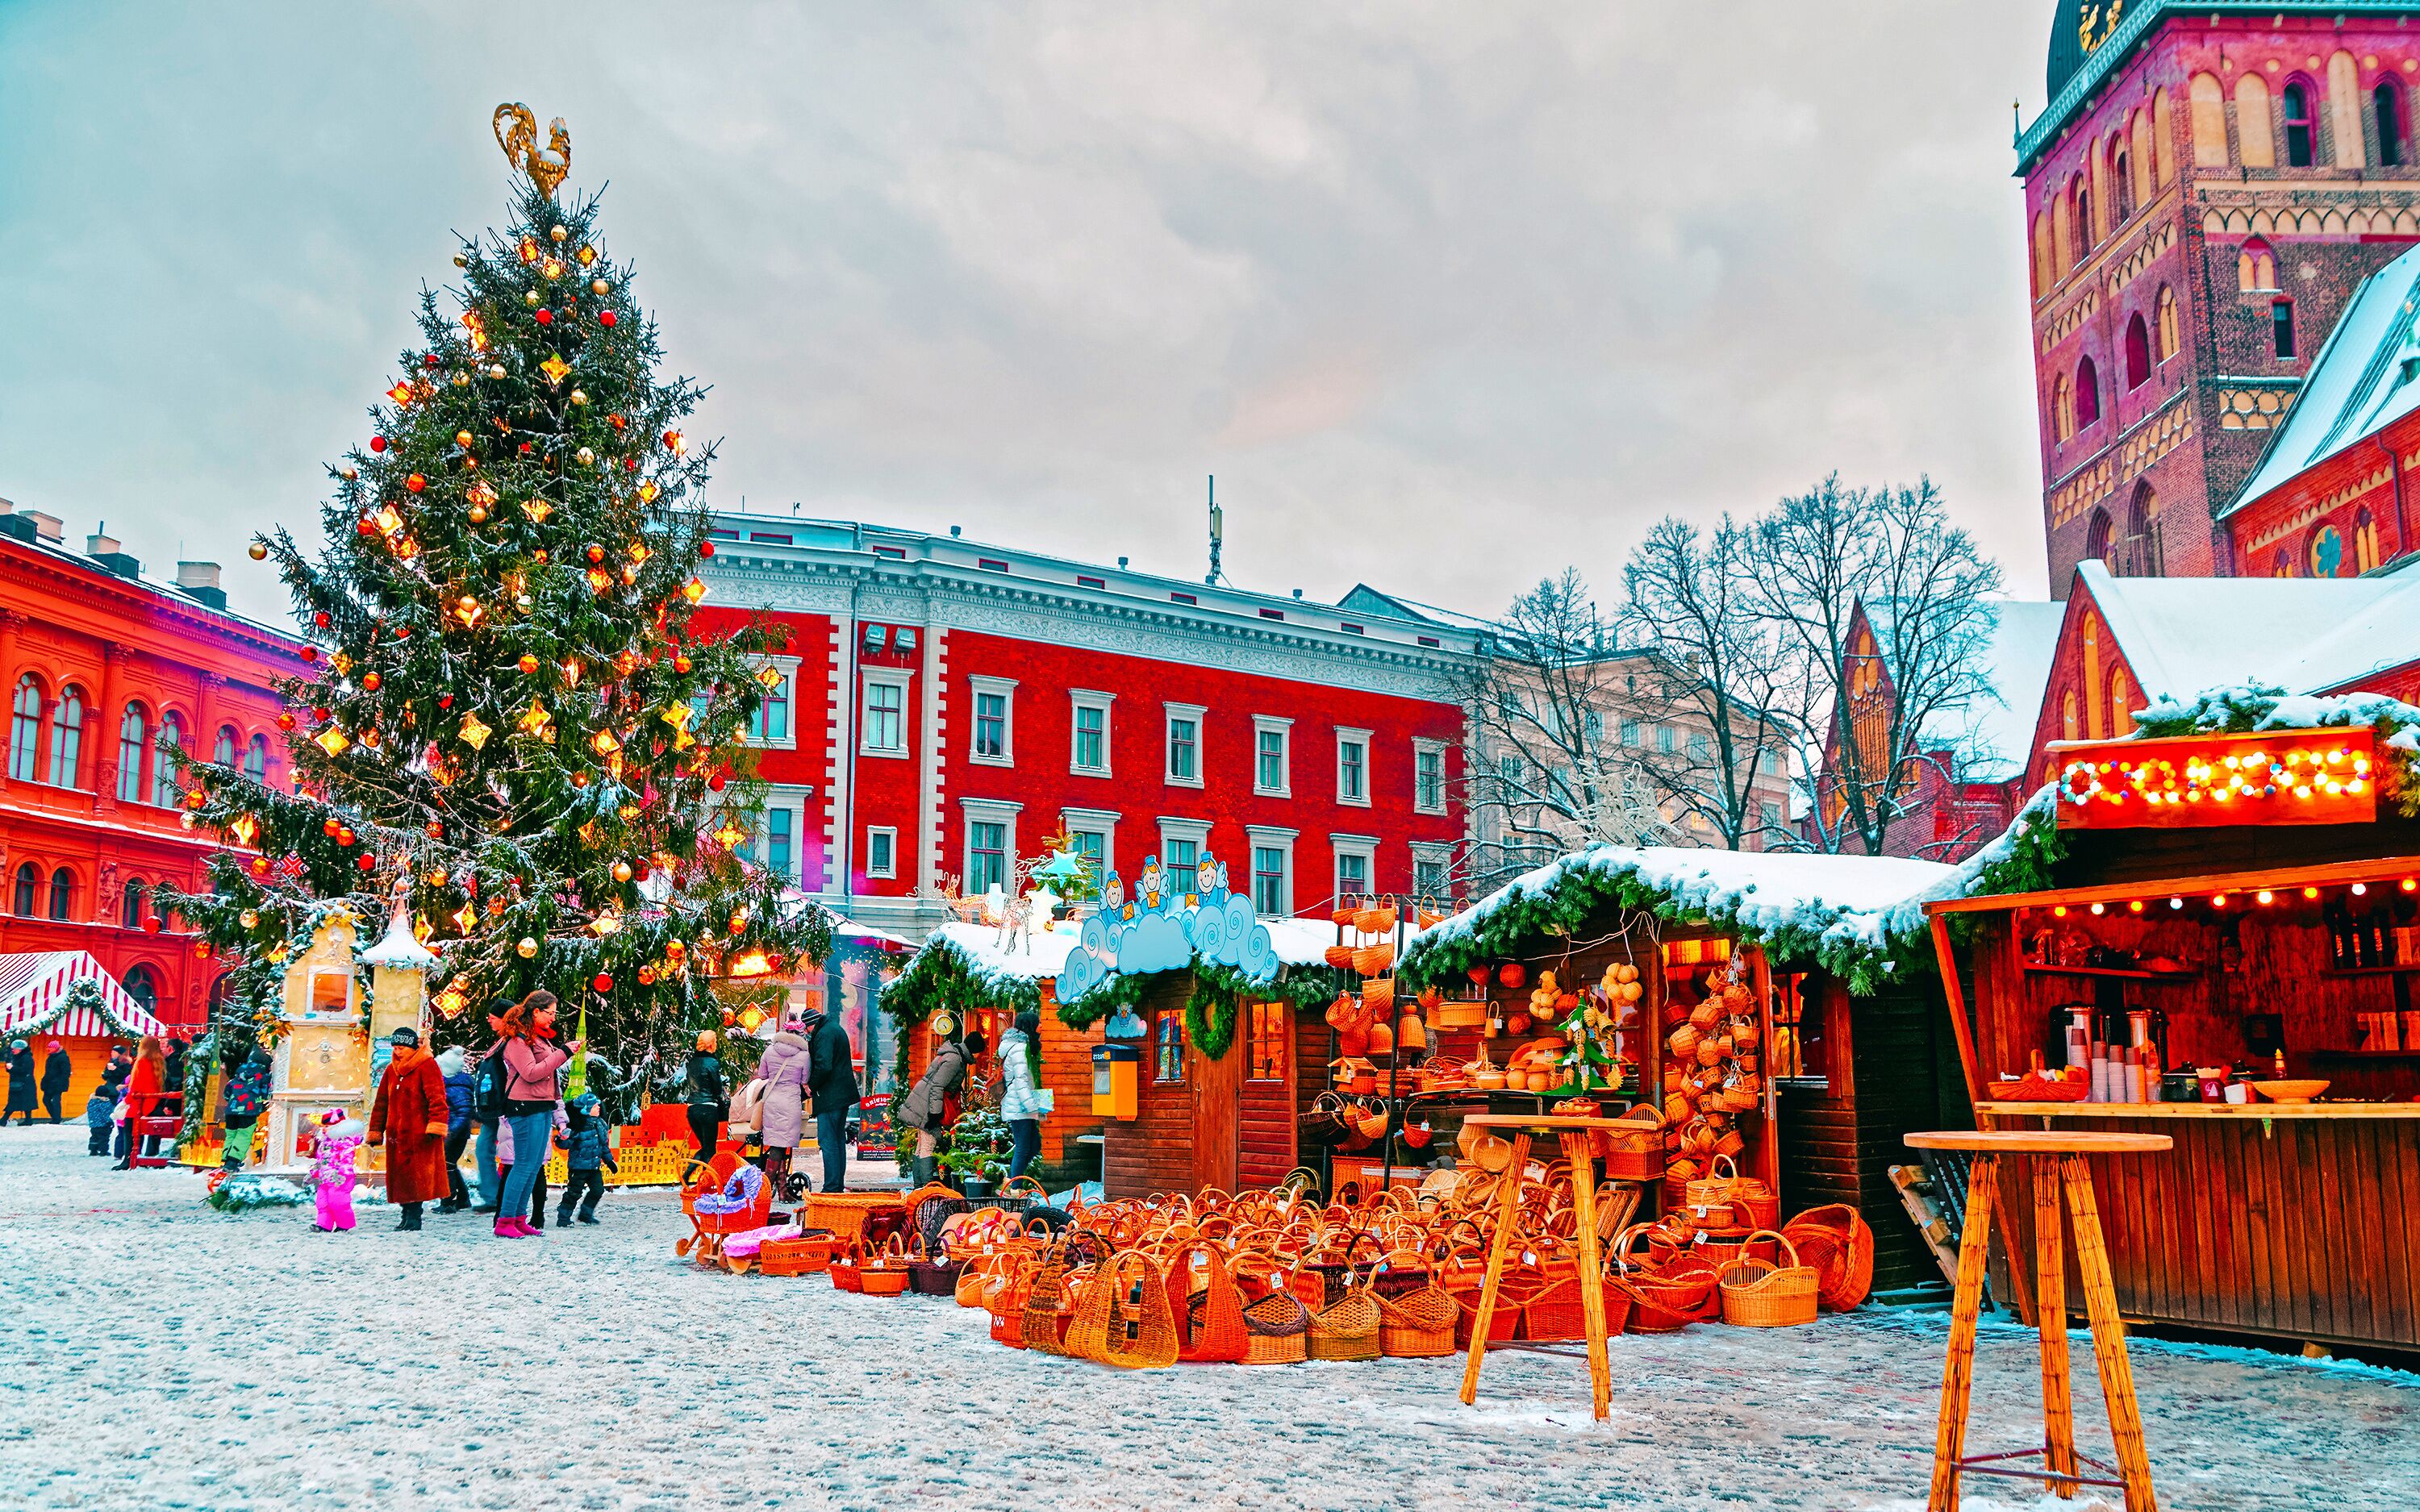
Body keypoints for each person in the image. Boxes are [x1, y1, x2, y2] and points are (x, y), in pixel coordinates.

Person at [493, 991, 572, 1239]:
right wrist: (563, 1054)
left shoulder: (536, 1037)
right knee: (523, 1165)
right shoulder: (518, 1040)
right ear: (535, 1012)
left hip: (540, 1106)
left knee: (533, 1164)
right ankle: (505, 1221)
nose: (553, 1018)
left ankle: (518, 1218)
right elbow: (530, 1072)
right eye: (550, 1013)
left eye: (554, 1014)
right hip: (524, 1107)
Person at [368, 1027, 449, 1231]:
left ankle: (414, 1217)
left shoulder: (427, 1066)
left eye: (402, 1047)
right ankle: (406, 1214)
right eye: (395, 1047)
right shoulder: (390, 1070)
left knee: (417, 1178)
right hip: (397, 1135)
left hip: (420, 1135)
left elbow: (437, 1099)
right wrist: (376, 1130)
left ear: (413, 1047)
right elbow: (381, 1103)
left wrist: (435, 1126)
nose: (397, 1051)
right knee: (402, 1178)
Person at [897, 1030, 980, 1189]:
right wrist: (935, 1113)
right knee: (928, 1145)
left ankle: (919, 1186)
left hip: (923, 1101)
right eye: (978, 1053)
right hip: (929, 1107)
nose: (977, 1057)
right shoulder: (955, 1060)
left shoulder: (952, 1054)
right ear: (973, 1050)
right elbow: (938, 1086)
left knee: (921, 1145)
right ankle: (926, 1189)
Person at [804, 1004, 859, 1194]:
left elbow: (824, 1065)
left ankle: (831, 1187)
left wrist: (811, 1086)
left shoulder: (824, 1034)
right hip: (840, 1095)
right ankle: (836, 1184)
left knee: (828, 1142)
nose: (806, 1032)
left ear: (812, 1024)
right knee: (837, 1141)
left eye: (807, 1028)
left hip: (830, 1096)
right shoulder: (833, 1028)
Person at [756, 1014, 812, 1195]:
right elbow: (805, 1079)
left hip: (772, 1099)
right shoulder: (804, 1055)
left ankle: (782, 1189)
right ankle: (766, 1189)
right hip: (790, 1101)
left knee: (776, 1144)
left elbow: (762, 1075)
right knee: (781, 1146)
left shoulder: (770, 1050)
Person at [997, 1010, 1054, 1181]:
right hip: (1020, 1105)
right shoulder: (1020, 1049)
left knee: (1034, 1145)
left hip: (1024, 1103)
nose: (1041, 1026)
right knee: (1023, 1147)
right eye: (1038, 1023)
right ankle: (1015, 1187)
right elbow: (1021, 1081)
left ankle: (1012, 1180)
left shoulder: (1025, 1046)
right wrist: (1032, 1107)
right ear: (1030, 1025)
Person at [554, 1092, 618, 1226]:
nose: (599, 1108)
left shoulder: (599, 1125)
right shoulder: (577, 1127)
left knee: (598, 1190)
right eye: (595, 1106)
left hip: (594, 1167)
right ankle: (563, 1217)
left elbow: (603, 1146)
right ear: (586, 1110)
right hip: (578, 1167)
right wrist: (560, 1139)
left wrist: (609, 1161)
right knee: (573, 1193)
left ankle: (585, 1214)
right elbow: (566, 1144)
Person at [469, 1012, 511, 1212]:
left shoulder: (509, 1045)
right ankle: (494, 1195)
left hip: (500, 1110)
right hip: (492, 1110)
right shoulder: (501, 1044)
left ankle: (499, 1196)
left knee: (494, 1151)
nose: (489, 1020)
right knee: (485, 1150)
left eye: (494, 1017)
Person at [113, 1035, 167, 1168]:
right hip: (153, 1101)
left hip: (141, 1103)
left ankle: (129, 1158)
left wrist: (127, 1099)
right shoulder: (159, 1061)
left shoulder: (142, 1062)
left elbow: (137, 1085)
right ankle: (150, 1155)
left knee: (129, 1129)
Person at [307, 1107, 365, 1231]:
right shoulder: (325, 1142)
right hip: (325, 1179)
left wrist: (342, 1173)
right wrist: (314, 1172)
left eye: (328, 1126)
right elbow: (321, 1159)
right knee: (322, 1203)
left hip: (340, 1178)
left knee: (338, 1202)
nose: (324, 1129)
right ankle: (323, 1225)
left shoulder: (345, 1142)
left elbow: (347, 1159)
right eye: (324, 1126)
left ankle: (344, 1225)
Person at [218, 1043, 272, 1170]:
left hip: (231, 1111)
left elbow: (227, 1093)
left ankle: (226, 1159)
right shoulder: (263, 1077)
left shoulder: (238, 1076)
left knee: (231, 1134)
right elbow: (266, 1094)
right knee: (243, 1135)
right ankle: (233, 1161)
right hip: (249, 1111)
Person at [436, 1045, 475, 1211]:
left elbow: (464, 1112)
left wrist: (451, 1131)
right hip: (454, 1131)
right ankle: (463, 1199)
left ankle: (448, 1202)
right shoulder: (454, 1085)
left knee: (446, 1165)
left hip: (454, 1133)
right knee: (449, 1164)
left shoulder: (455, 1087)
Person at [683, 1031, 725, 1169]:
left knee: (705, 1147)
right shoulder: (712, 1062)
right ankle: (708, 1181)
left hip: (692, 1109)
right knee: (710, 1150)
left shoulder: (692, 1063)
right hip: (708, 1109)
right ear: (711, 1044)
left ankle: (687, 1175)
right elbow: (717, 1088)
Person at [86, 1060, 126, 1156]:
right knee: (104, 1138)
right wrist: (109, 1122)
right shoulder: (105, 1103)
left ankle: (93, 1150)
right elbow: (106, 1114)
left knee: (94, 1137)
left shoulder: (92, 1102)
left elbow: (90, 1112)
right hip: (104, 1125)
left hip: (94, 1124)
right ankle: (103, 1151)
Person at [3, 1039, 34, 1126]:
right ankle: (28, 1120)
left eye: (14, 1049)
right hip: (20, 1083)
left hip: (24, 1083)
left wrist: (12, 1068)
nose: (12, 1050)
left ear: (20, 1049)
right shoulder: (18, 1057)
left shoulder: (26, 1058)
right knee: (25, 1102)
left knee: (14, 1101)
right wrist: (9, 1068)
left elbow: (25, 1070)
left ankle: (3, 1119)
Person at [40, 1039, 71, 1123]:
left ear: (55, 1048)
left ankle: (56, 1119)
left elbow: (66, 1071)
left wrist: (59, 1081)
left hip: (58, 1084)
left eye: (50, 1047)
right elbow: (48, 1072)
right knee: (46, 1100)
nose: (48, 1049)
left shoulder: (63, 1057)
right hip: (50, 1083)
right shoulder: (51, 1057)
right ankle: (55, 1118)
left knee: (56, 1101)